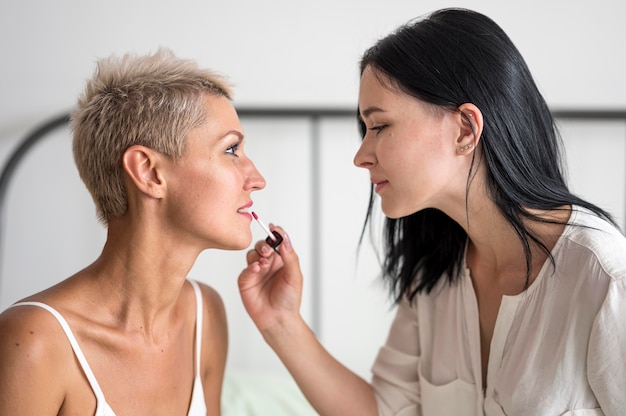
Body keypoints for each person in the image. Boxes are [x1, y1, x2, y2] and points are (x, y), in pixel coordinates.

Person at [238, 8, 626, 416]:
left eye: (380, 126)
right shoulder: (434, 275)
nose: (360, 156)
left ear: (464, 130)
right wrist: (280, 323)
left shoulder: (605, 280)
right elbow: (385, 410)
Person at [0, 48, 266, 415]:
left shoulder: (205, 316)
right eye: (231, 149)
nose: (258, 180)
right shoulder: (33, 342)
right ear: (148, 172)